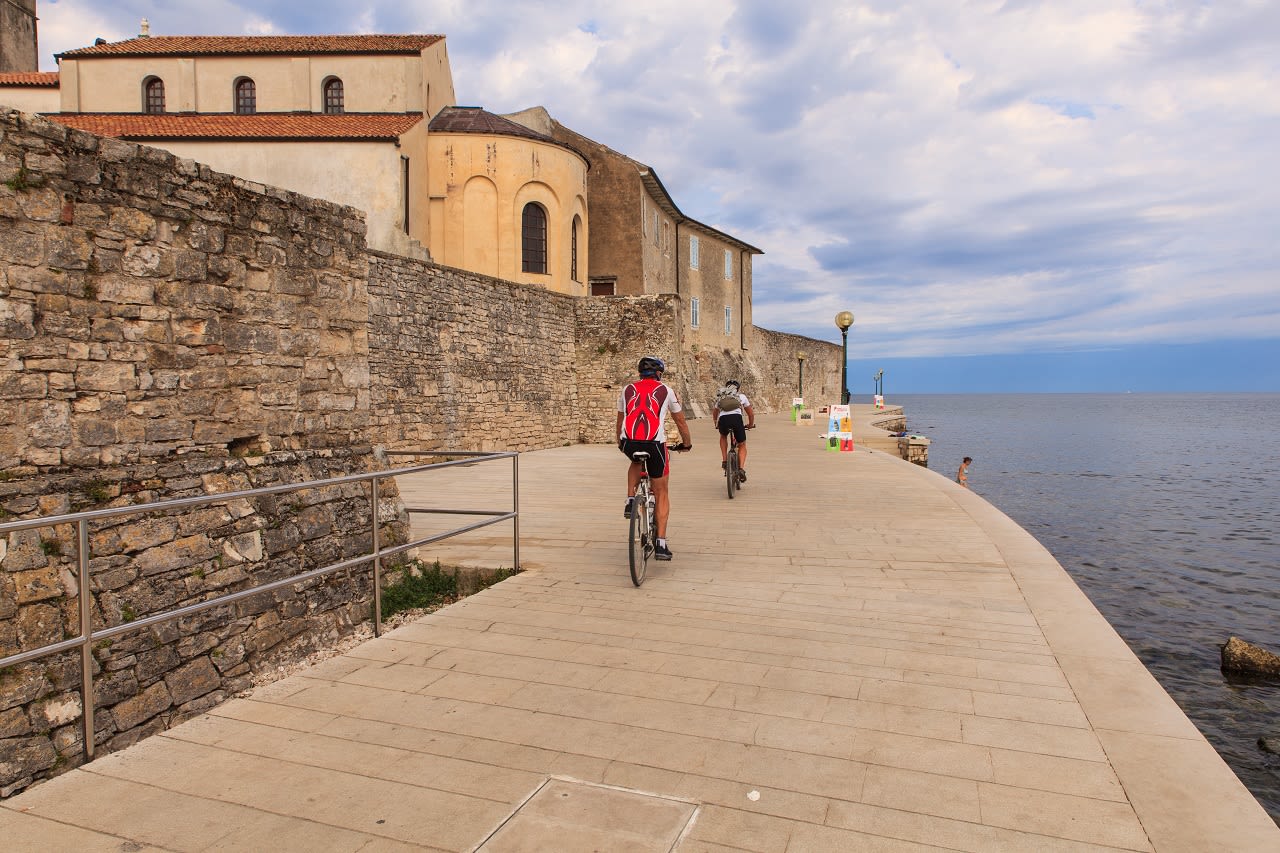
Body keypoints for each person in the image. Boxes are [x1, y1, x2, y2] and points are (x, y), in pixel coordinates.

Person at [617, 355, 692, 561]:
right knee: (662, 492)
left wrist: (620, 442)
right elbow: (681, 422)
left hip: (629, 442)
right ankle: (660, 544)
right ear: (659, 373)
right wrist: (687, 444)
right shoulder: (666, 391)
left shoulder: (626, 390)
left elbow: (620, 419)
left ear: (640, 373)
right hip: (655, 443)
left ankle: (631, 498)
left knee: (635, 460)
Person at [713, 379, 755, 481]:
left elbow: (715, 412)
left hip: (723, 419)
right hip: (736, 419)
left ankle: (724, 460)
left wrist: (716, 423)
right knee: (742, 444)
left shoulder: (721, 396)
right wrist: (750, 424)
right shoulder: (741, 397)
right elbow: (750, 413)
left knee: (723, 436)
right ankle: (741, 469)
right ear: (738, 389)